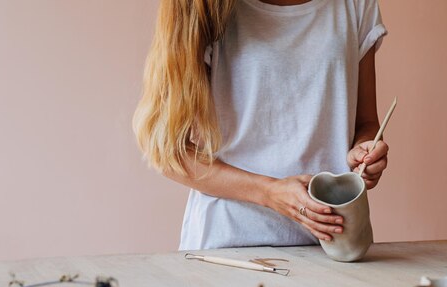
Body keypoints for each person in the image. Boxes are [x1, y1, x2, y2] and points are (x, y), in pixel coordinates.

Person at [133, 0, 389, 250]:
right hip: (228, 246)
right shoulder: (205, 7)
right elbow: (168, 151)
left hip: (333, 243)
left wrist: (365, 149)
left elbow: (366, 123)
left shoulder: (356, 5)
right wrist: (269, 192)